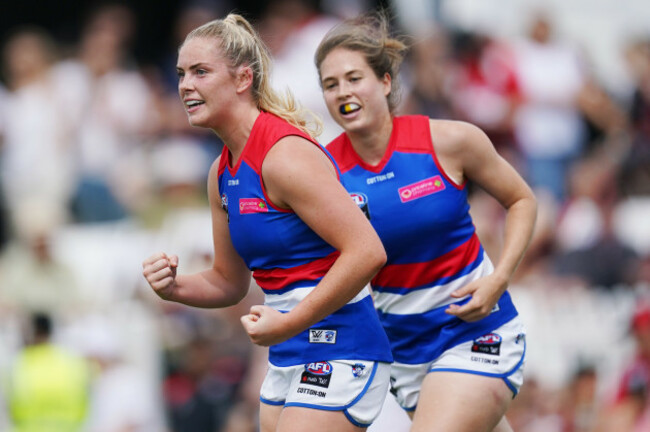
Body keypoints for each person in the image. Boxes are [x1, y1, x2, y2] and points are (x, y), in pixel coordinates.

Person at [141, 13, 393, 432]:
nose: (185, 85)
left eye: (201, 72)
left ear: (243, 79)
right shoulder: (220, 172)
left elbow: (368, 251)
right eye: (182, 73)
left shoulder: (284, 155)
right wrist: (174, 287)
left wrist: (290, 322)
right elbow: (229, 281)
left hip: (341, 345)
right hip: (287, 354)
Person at [315, 12, 537, 432]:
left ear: (384, 82)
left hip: (476, 334)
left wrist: (501, 276)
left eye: (353, 78)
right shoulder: (321, 173)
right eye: (331, 84)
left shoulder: (450, 140)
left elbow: (522, 199)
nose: (343, 92)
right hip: (405, 356)